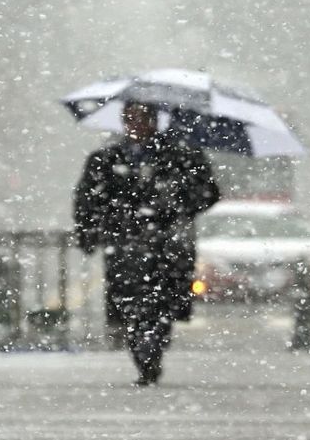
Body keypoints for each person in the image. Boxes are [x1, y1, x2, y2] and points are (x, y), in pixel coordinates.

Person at [74, 101, 221, 386]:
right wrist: (91, 231)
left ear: (155, 121)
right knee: (132, 306)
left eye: (141, 118)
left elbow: (208, 193)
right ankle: (144, 354)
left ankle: (152, 349)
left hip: (167, 246)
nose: (135, 125)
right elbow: (87, 201)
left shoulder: (181, 156)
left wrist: (175, 203)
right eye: (129, 118)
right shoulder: (106, 159)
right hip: (126, 245)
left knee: (159, 305)